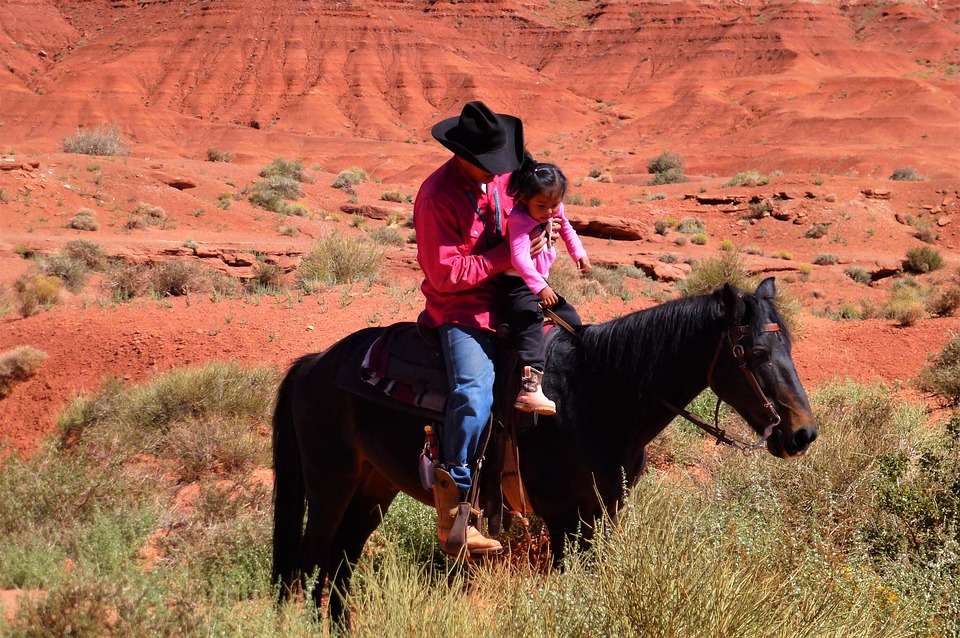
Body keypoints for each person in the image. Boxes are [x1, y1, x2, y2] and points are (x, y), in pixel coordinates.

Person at [414, 101, 546, 555]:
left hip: (512, 295)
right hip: (461, 310)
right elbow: (444, 275)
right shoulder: (436, 196)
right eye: (487, 166)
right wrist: (505, 258)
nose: (496, 173)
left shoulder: (503, 177)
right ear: (461, 156)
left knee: (575, 344)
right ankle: (454, 511)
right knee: (474, 390)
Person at [503, 156, 590, 415]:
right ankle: (529, 388)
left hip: (541, 282)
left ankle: (571, 368)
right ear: (523, 198)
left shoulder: (553, 207)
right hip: (517, 285)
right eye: (541, 205)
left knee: (570, 318)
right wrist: (540, 287)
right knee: (530, 322)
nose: (550, 211)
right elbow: (518, 258)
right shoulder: (519, 219)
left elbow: (567, 229)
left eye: (555, 204)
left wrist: (579, 254)